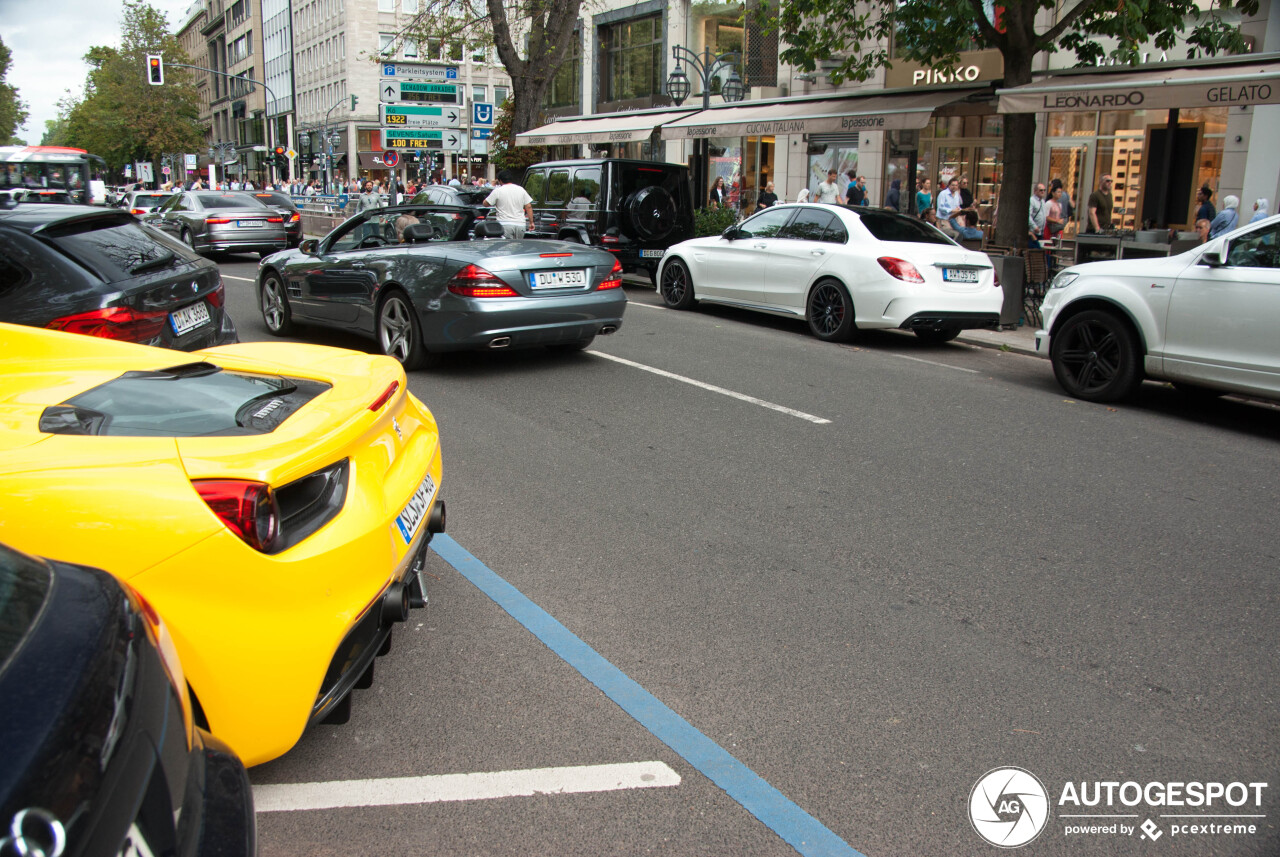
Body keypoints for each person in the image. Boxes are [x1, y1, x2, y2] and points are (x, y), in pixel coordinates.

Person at [483, 169, 535, 239]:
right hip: (520, 224)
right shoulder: (521, 189)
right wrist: (531, 222)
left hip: (504, 224)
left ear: (500, 180)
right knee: (517, 247)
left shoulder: (498, 191)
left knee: (507, 248)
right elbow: (528, 206)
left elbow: (486, 203)